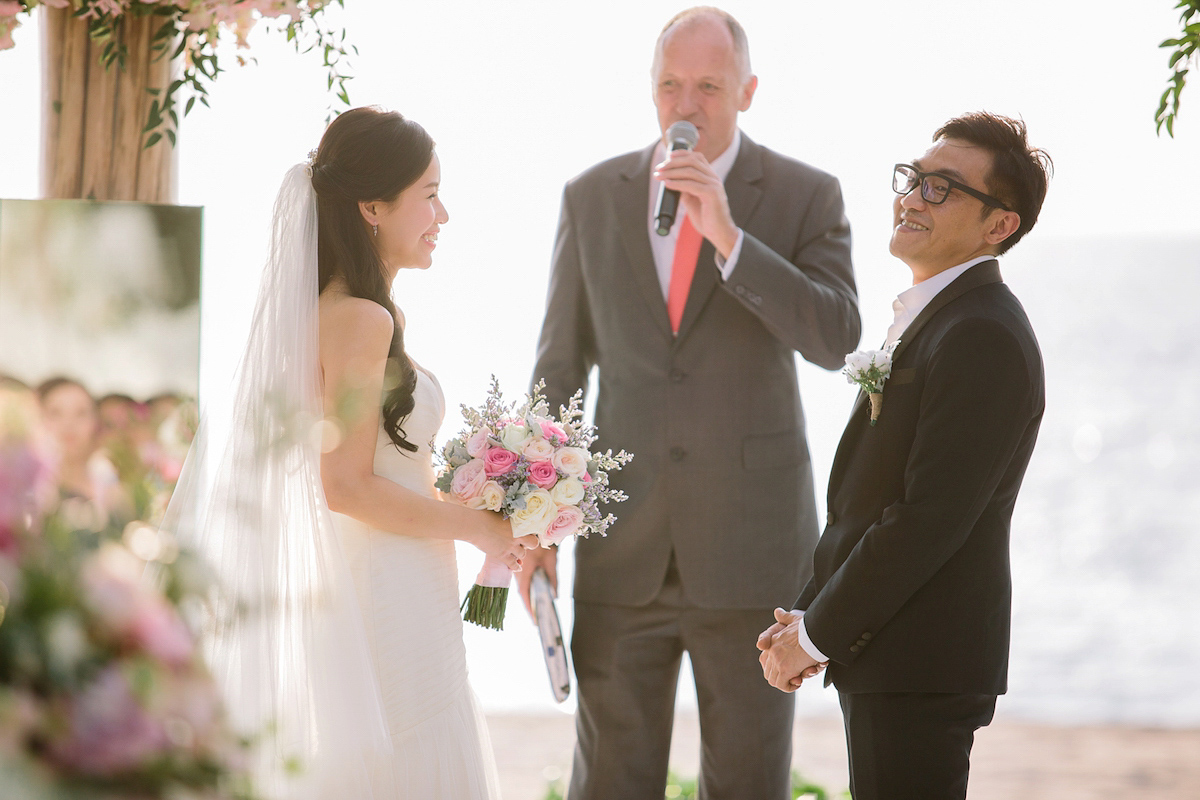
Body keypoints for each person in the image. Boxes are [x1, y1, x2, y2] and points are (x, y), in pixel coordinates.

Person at [521, 7, 860, 798]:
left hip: (753, 558)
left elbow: (837, 337)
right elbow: (559, 368)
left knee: (746, 784)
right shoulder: (591, 195)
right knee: (608, 781)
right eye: (670, 84)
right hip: (621, 548)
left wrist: (730, 239)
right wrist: (536, 518)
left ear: (746, 90)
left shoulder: (806, 194)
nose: (686, 104)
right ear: (650, 90)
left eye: (708, 86)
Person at [162, 107, 536, 799]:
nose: (443, 213)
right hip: (386, 583)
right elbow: (348, 486)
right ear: (372, 206)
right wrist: (479, 526)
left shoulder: (338, 310)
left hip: (385, 573)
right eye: (428, 193)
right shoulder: (362, 319)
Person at [758, 112, 1051, 800]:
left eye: (943, 188)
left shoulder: (982, 334)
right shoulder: (941, 319)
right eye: (915, 178)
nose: (913, 197)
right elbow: (872, 499)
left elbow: (928, 519)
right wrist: (804, 618)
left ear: (998, 225)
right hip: (891, 651)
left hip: (921, 656)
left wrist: (819, 634)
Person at [35, 376, 125, 525]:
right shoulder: (29, 489)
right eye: (56, 413)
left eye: (81, 413)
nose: (69, 424)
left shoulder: (108, 482)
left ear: (95, 422)